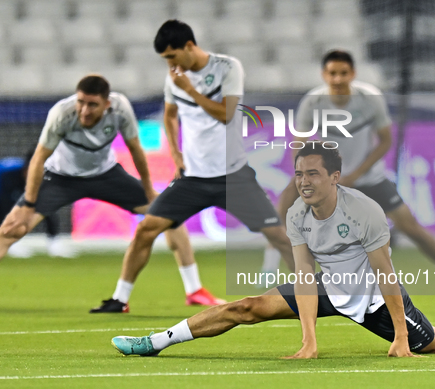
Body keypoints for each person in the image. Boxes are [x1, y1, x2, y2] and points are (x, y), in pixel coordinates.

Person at [111, 144, 435, 358]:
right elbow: (304, 276)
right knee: (247, 307)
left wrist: (399, 336)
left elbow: (386, 275)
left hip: (374, 295)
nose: (304, 181)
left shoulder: (365, 212)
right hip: (328, 285)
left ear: (334, 177)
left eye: (313, 174)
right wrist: (309, 340)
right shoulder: (297, 213)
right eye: (299, 173)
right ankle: (156, 342)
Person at [0, 74, 222, 310]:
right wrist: (29, 203)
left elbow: (136, 151)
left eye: (92, 104)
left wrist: (149, 190)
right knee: (12, 228)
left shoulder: (121, 110)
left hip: (106, 175)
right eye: (81, 102)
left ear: (107, 104)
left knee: (169, 214)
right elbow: (39, 159)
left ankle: (194, 290)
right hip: (59, 178)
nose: (85, 110)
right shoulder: (61, 114)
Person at [92, 20, 295, 312]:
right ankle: (119, 299)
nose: (170, 65)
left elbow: (226, 114)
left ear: (189, 47)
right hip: (192, 180)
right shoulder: (174, 78)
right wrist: (175, 154)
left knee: (278, 235)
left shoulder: (227, 68)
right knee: (145, 230)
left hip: (233, 176)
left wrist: (190, 89)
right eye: (165, 60)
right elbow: (170, 115)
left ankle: (314, 293)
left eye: (172, 56)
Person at [261, 50, 435, 283]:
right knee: (285, 209)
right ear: (324, 75)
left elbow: (385, 140)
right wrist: (305, 175)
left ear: (353, 74)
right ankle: (268, 270)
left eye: (343, 73)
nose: (337, 79)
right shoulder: (313, 101)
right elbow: (299, 143)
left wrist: (356, 174)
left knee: (409, 225)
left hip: (369, 178)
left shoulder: (370, 99)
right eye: (332, 73)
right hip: (329, 180)